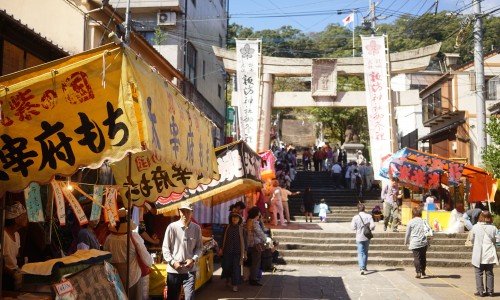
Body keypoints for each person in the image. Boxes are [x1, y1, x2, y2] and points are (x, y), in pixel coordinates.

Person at [103, 208, 152, 300]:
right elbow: (146, 258)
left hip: (116, 278)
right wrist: (150, 263)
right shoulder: (133, 237)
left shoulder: (109, 239)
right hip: (132, 276)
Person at [162, 202, 203, 300]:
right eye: (183, 211)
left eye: (188, 212)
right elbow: (165, 248)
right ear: (179, 212)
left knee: (189, 297)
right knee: (173, 297)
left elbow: (199, 248)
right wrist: (172, 261)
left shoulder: (196, 228)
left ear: (192, 213)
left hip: (189, 270)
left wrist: (193, 259)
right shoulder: (172, 227)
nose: (185, 214)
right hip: (174, 270)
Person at [469, 211, 498, 297]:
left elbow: (472, 239)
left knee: (479, 273)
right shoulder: (493, 228)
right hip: (490, 253)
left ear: (480, 217)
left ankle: (480, 291)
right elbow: (498, 239)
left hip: (479, 253)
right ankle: (490, 291)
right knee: (489, 273)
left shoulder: (475, 227)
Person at [3, 201, 28, 290]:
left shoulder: (17, 235)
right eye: (23, 215)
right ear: (15, 219)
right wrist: (13, 274)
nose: (26, 218)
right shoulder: (3, 235)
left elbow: (15, 258)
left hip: (15, 273)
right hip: (5, 276)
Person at [219, 213, 247, 292]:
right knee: (226, 267)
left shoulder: (242, 229)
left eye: (236, 218)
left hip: (238, 252)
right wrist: (220, 248)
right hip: (227, 251)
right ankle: (227, 279)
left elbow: (245, 241)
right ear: (231, 219)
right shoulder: (227, 228)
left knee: (236, 268)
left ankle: (235, 285)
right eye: (233, 217)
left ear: (239, 220)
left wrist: (245, 252)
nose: (234, 219)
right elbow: (222, 239)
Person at [404, 207, 432, 279]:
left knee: (416, 257)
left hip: (415, 242)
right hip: (424, 242)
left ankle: (418, 272)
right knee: (423, 257)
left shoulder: (411, 222)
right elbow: (429, 231)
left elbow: (407, 233)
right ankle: (423, 271)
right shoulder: (424, 221)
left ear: (413, 214)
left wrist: (406, 241)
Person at [350, 204, 375, 275]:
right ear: (364, 209)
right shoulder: (369, 216)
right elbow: (372, 226)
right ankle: (364, 266)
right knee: (365, 252)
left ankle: (361, 268)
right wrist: (369, 228)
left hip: (359, 236)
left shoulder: (355, 217)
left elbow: (353, 228)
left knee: (360, 252)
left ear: (358, 209)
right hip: (367, 236)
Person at [246, 207, 267, 286]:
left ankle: (252, 277)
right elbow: (260, 233)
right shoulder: (254, 222)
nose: (259, 214)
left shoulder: (248, 221)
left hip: (249, 244)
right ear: (256, 214)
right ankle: (253, 279)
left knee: (252, 262)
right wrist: (265, 239)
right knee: (256, 262)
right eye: (259, 213)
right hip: (256, 245)